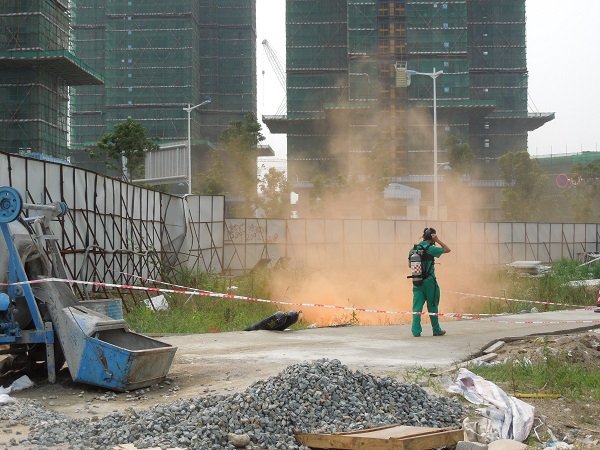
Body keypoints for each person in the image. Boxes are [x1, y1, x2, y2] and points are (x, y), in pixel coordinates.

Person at [410, 227, 451, 337]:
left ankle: (416, 331)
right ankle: (436, 330)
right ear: (432, 237)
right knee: (432, 305)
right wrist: (437, 240)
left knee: (417, 307)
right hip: (429, 282)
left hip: (417, 281)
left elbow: (410, 265)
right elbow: (447, 249)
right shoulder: (431, 248)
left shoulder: (414, 249)